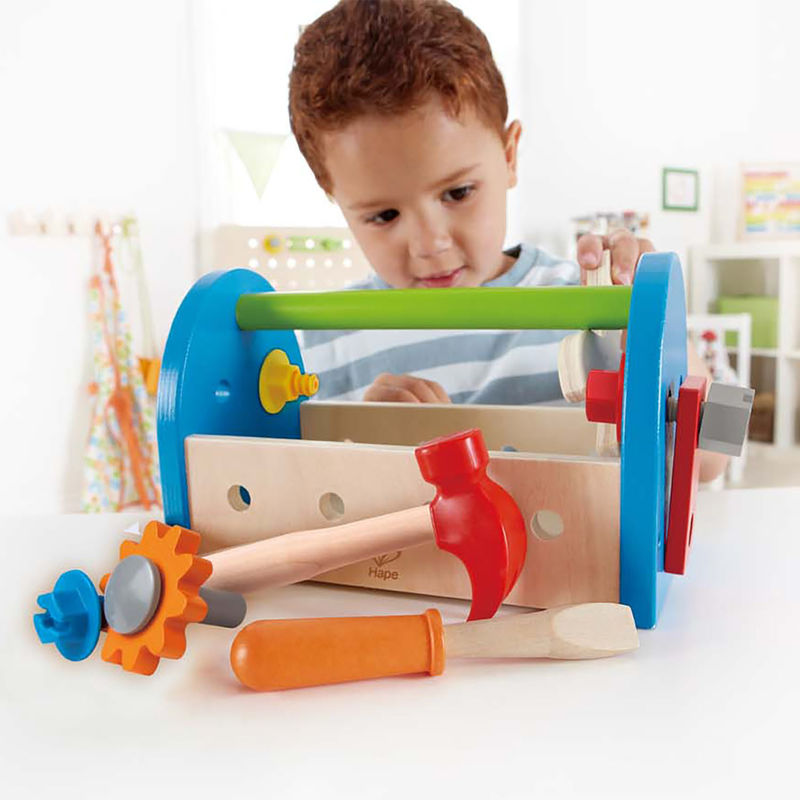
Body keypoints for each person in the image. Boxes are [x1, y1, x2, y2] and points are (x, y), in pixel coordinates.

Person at [288, 0, 725, 479]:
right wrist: (361, 446)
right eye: (383, 214)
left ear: (510, 155)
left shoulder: (591, 307)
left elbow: (715, 455)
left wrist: (651, 327)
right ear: (334, 196)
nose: (430, 244)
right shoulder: (324, 343)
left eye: (458, 192)